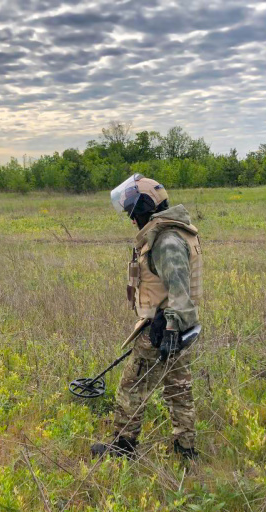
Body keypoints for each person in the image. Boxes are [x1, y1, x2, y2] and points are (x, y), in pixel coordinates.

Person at [91, 174, 202, 461]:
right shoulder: (174, 232)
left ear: (143, 208)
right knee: (179, 388)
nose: (130, 218)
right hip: (178, 325)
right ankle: (185, 449)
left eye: (132, 212)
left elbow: (179, 287)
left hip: (164, 326)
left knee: (132, 386)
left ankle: (123, 446)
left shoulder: (166, 240)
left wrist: (169, 329)